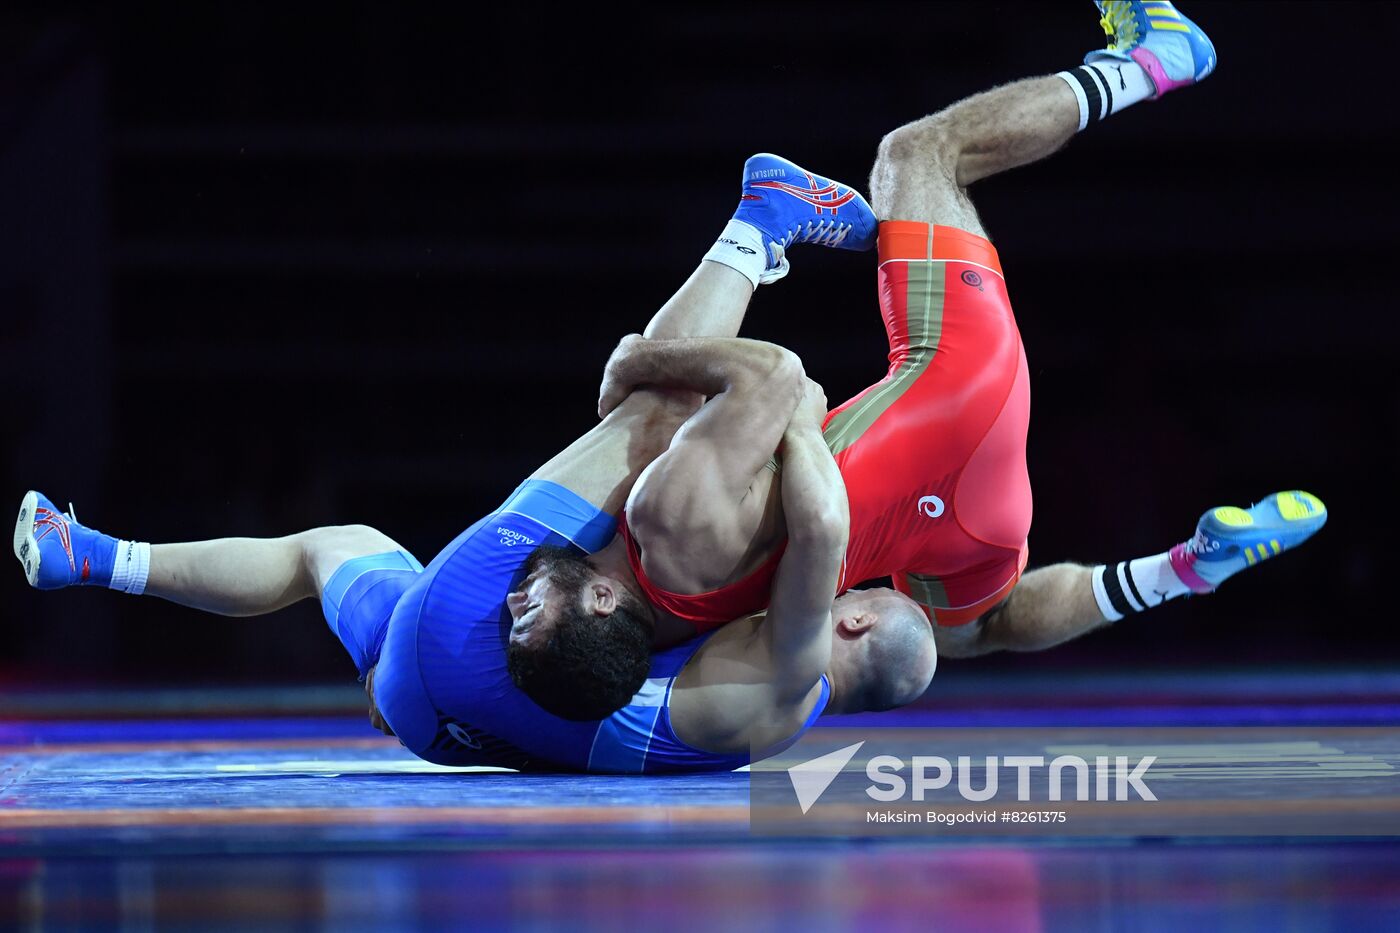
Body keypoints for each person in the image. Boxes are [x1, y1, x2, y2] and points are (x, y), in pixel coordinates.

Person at [509, 1, 1326, 718]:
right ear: (603, 596)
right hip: (952, 391)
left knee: (976, 629)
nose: (512, 598)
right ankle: (1153, 62)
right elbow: (779, 376)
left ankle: (1178, 571)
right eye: (528, 611)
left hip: (967, 521)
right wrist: (634, 358)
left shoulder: (689, 655)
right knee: (918, 156)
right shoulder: (667, 519)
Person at [15, 148, 938, 771]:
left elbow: (819, 523)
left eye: (865, 593)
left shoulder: (794, 658)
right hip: (435, 718)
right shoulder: (766, 723)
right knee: (329, 547)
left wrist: (802, 418)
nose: (852, 587)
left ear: (857, 624)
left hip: (484, 643)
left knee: (657, 409)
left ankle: (759, 221)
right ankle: (89, 554)